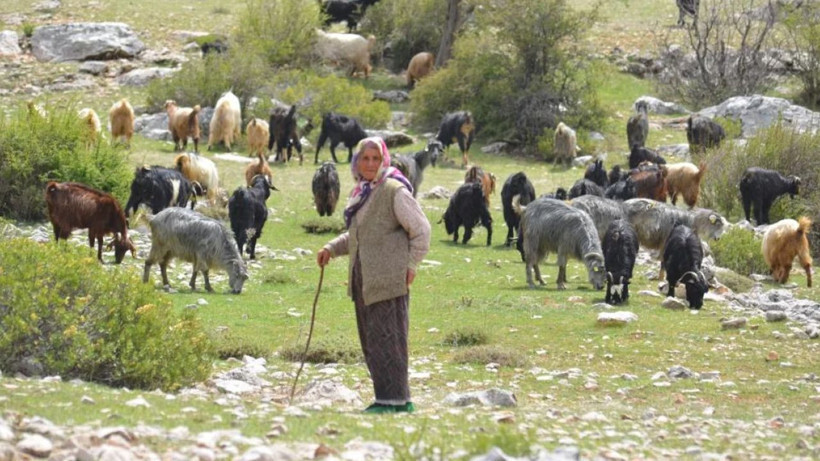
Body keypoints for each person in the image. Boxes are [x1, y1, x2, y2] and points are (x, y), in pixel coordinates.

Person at [316, 136, 431, 414]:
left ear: (384, 160)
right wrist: (332, 248)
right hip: (365, 279)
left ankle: (394, 402)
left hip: (389, 277)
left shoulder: (393, 190)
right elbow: (359, 235)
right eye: (365, 158)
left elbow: (422, 230)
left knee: (389, 341)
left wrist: (411, 266)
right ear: (357, 161)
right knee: (372, 341)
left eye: (375, 159)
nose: (370, 164)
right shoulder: (363, 191)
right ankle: (391, 399)